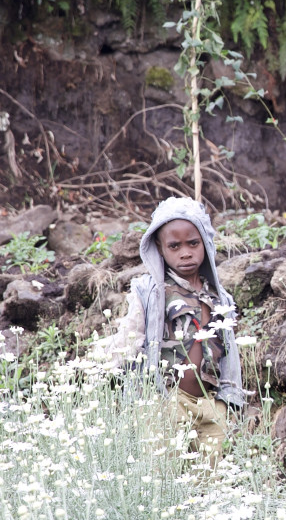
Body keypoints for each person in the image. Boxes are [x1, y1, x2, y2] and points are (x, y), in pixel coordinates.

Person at [99, 197, 246, 466]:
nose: (185, 252)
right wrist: (106, 368)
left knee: (208, 477)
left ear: (206, 243)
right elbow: (132, 334)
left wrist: (227, 400)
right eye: (174, 246)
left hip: (211, 404)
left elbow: (228, 350)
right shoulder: (152, 292)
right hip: (167, 401)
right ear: (160, 249)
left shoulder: (219, 297)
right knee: (164, 475)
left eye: (193, 243)